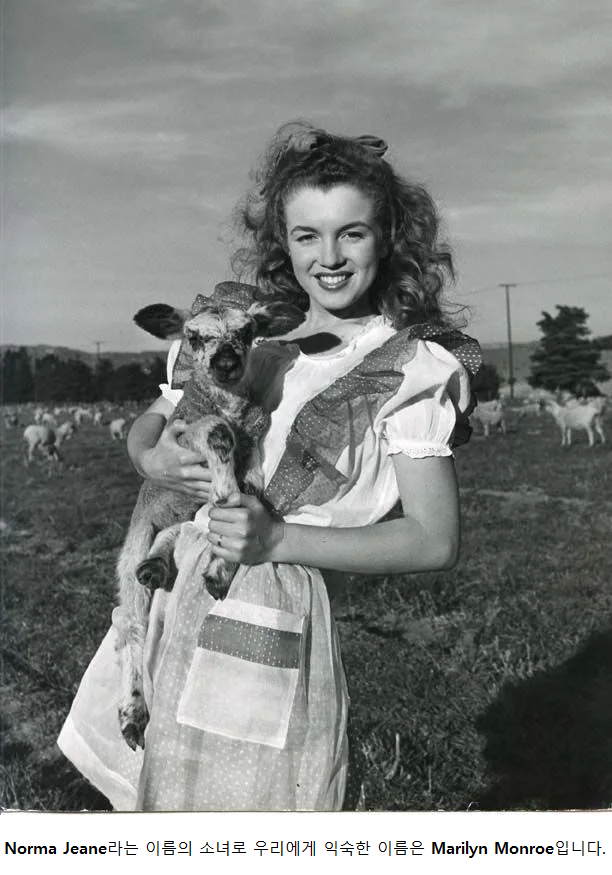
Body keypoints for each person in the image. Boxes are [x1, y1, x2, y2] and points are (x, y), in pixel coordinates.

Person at [58, 121, 481, 811]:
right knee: (159, 806)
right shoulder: (259, 341)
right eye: (307, 235)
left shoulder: (409, 368)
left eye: (353, 232)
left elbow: (435, 539)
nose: (330, 257)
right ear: (282, 243)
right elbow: (159, 415)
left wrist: (278, 539)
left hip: (268, 616)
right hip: (171, 596)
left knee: (242, 816)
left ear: (390, 237)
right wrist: (148, 455)